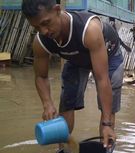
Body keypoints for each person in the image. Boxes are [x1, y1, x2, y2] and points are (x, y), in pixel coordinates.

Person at [21, 0, 124, 152]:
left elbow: (102, 80)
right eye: (37, 27)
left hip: (109, 56)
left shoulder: (89, 29)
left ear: (57, 10)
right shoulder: (41, 42)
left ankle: (105, 144)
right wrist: (47, 103)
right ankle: (65, 147)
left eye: (46, 23)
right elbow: (40, 77)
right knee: (67, 100)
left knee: (107, 107)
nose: (44, 31)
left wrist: (107, 124)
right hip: (76, 58)